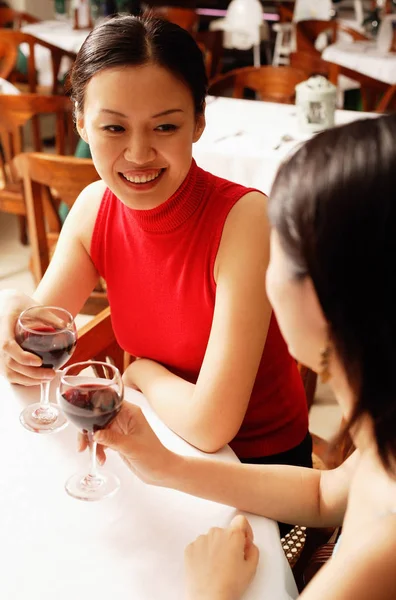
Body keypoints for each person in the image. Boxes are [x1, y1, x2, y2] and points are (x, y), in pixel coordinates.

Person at [0, 16, 310, 501]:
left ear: (198, 122)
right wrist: (11, 309)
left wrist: (141, 371)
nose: (139, 153)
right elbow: (41, 343)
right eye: (114, 128)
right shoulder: (94, 208)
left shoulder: (245, 220)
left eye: (165, 126)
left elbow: (211, 428)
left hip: (257, 478)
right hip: (151, 449)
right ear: (81, 122)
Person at [90, 114, 396, 599]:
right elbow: (324, 495)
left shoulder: (382, 552)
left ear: (327, 296)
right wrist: (166, 464)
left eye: (280, 253)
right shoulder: (385, 436)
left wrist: (215, 591)